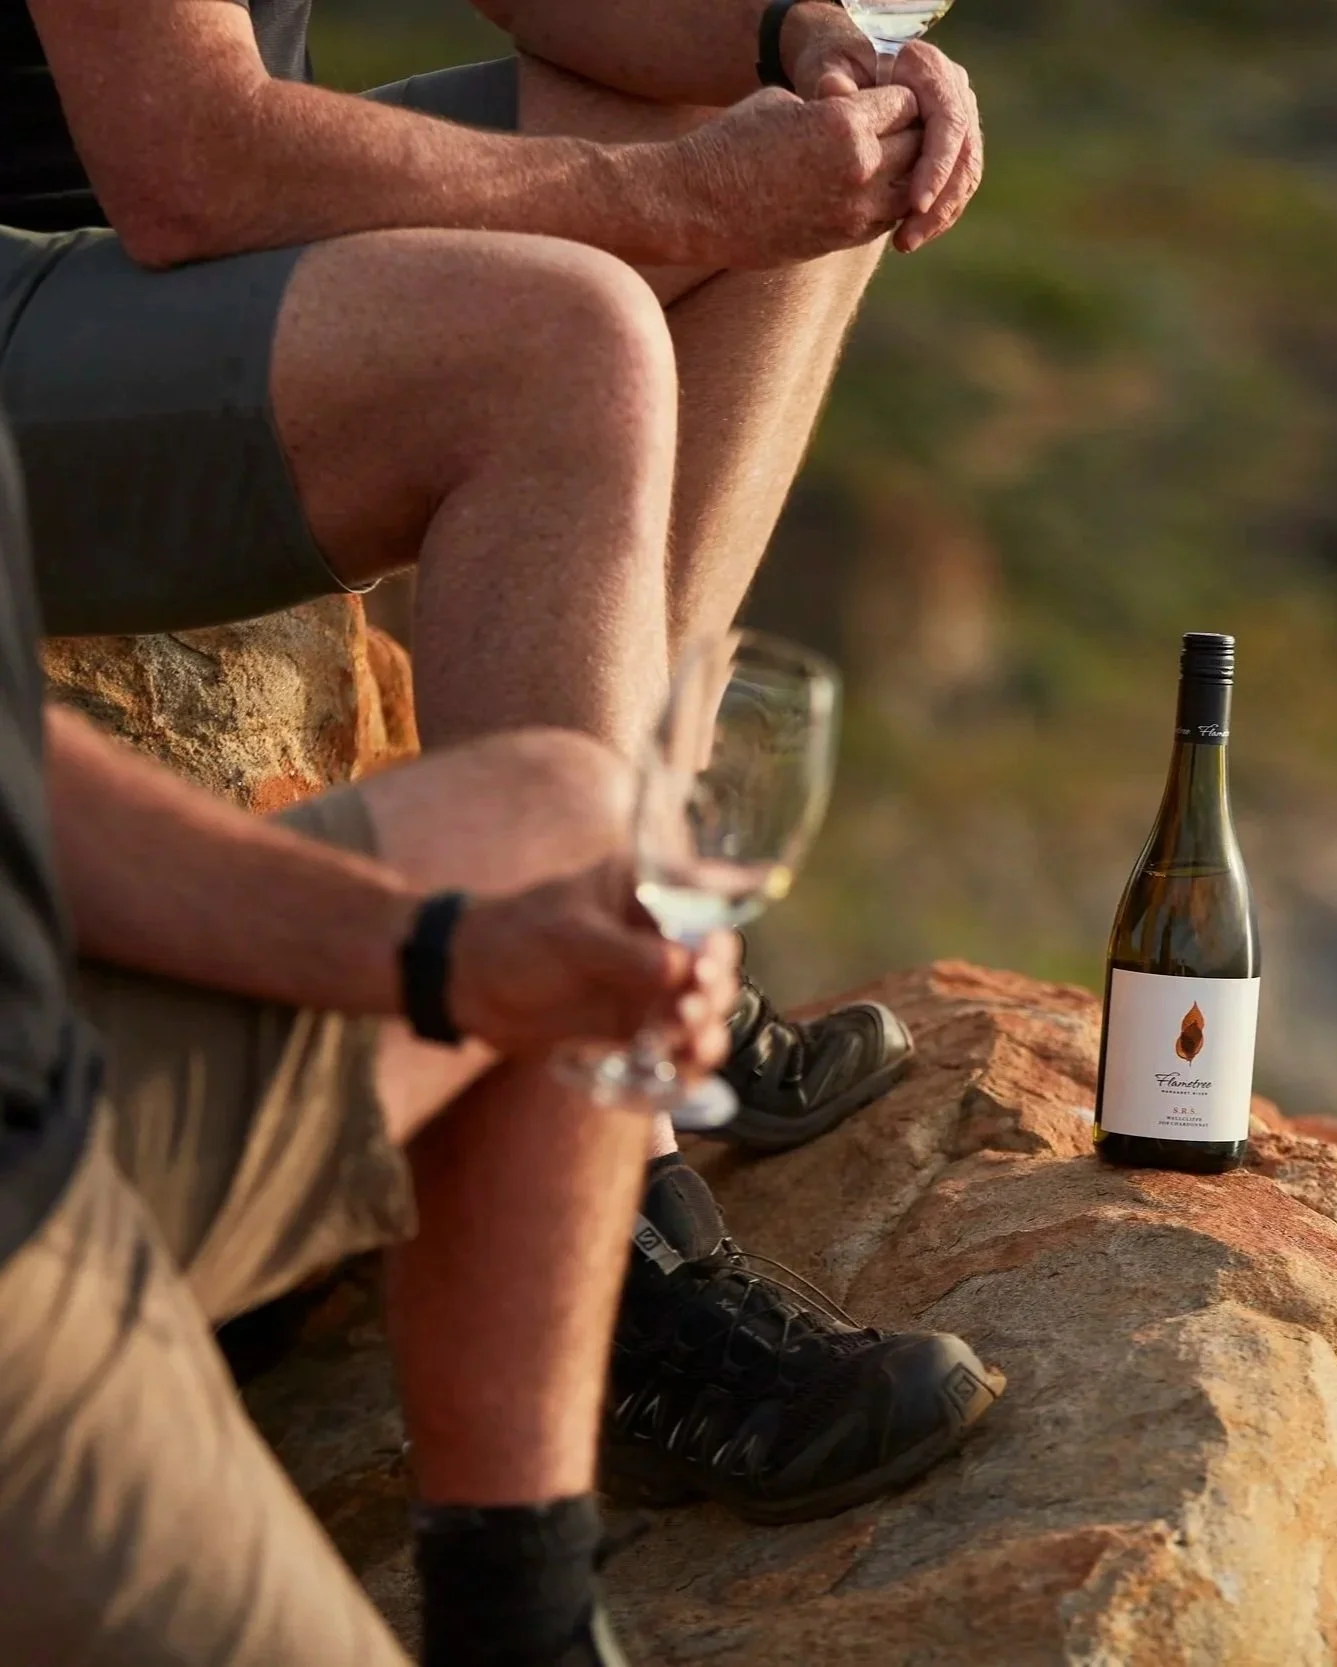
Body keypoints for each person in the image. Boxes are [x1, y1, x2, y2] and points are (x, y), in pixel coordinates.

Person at [0, 0, 1000, 1563]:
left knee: (815, 159)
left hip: (121, 250)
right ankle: (606, 1244)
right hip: (37, 268)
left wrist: (800, 41)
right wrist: (682, 203)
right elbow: (188, 160)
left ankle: (640, 915)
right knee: (553, 338)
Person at [0, 419, 1001, 1666]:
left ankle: (525, 1614)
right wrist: (442, 959)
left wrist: (441, 949)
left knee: (556, 816)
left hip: (61, 1076)